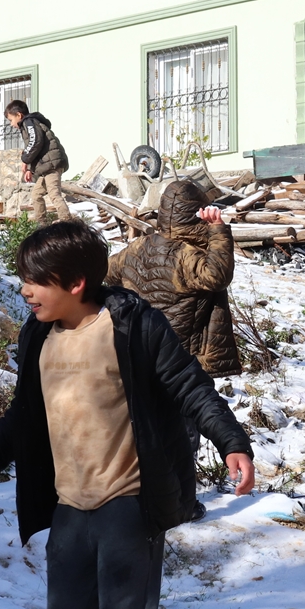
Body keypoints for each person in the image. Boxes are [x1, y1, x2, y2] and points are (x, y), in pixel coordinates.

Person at [0, 220, 255, 609]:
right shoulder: (38, 336)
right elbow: (24, 414)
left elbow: (189, 385)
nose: (25, 290)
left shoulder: (132, 325)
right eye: (24, 279)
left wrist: (231, 441)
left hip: (129, 501)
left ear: (75, 284)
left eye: (36, 281)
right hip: (71, 504)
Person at [106, 178, 242, 521]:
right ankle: (182, 502)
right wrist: (218, 231)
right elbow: (218, 274)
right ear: (195, 214)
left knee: (145, 428)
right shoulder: (188, 255)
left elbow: (107, 272)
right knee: (182, 434)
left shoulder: (138, 247)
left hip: (138, 353)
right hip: (181, 360)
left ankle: (141, 494)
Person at [5, 99, 71, 223]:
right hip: (47, 165)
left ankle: (68, 222)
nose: (11, 124)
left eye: (11, 120)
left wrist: (25, 160)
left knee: (54, 194)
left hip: (51, 165)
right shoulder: (29, 124)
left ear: (19, 115)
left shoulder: (28, 122)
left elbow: (35, 141)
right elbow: (37, 149)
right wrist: (30, 169)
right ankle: (42, 225)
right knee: (36, 195)